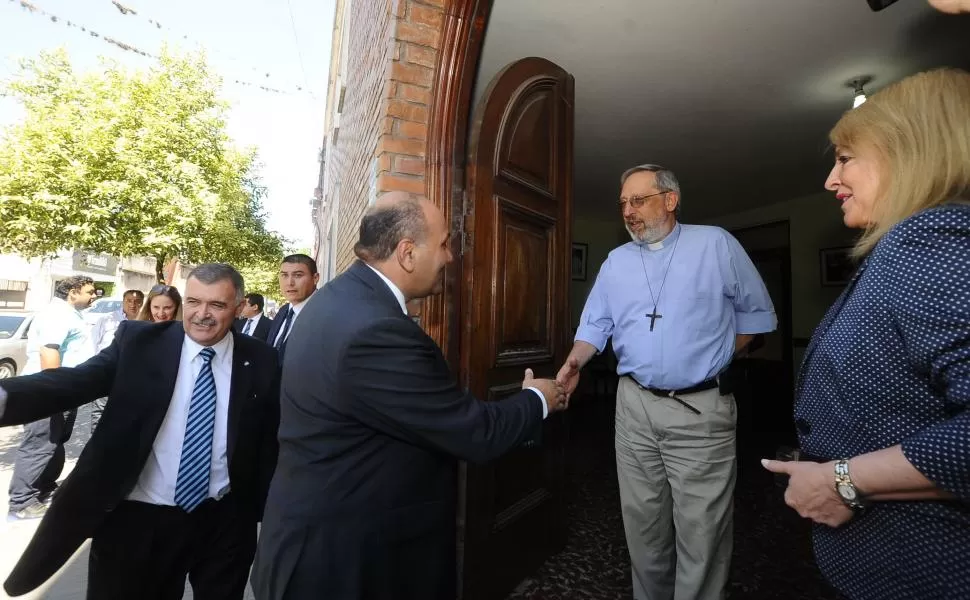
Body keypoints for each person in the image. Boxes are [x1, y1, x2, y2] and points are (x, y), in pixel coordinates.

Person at [250, 192, 566, 600]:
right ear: (407, 253)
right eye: (444, 244)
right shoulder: (375, 330)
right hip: (345, 563)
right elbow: (474, 433)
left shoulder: (337, 299)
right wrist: (539, 398)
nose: (450, 257)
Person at [762, 68, 970, 599]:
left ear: (908, 150)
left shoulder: (928, 240)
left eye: (845, 158)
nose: (831, 180)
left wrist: (843, 479)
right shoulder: (908, 247)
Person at [556, 164, 776, 600]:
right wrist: (576, 361)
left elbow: (756, 316)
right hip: (633, 408)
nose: (629, 211)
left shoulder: (715, 244)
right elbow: (596, 323)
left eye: (639, 200)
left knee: (702, 532)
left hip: (700, 412)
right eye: (623, 203)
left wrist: (710, 357)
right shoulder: (616, 261)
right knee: (643, 524)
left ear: (671, 200)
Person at [0, 263, 280, 599]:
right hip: (139, 521)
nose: (202, 314)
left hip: (224, 521)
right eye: (193, 302)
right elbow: (76, 382)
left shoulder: (262, 359)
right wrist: (5, 397)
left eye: (217, 305)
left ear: (237, 308)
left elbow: (275, 434)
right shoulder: (139, 343)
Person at [7, 275, 97, 520]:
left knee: (54, 441)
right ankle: (22, 501)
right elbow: (49, 351)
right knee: (39, 443)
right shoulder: (57, 315)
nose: (94, 296)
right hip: (49, 393)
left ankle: (43, 486)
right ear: (73, 292)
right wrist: (55, 392)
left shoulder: (70, 313)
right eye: (90, 292)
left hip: (64, 391)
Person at [90, 289, 145, 432]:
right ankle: (96, 448)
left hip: (131, 378)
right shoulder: (107, 320)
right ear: (123, 301)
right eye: (129, 301)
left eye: (137, 301)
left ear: (142, 303)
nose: (133, 304)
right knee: (100, 413)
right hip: (106, 373)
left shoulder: (146, 323)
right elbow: (93, 344)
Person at [264, 254, 319, 358]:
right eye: (284, 275)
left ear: (315, 278)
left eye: (298, 275)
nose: (290, 283)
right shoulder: (283, 311)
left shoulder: (328, 313)